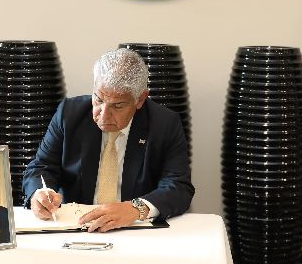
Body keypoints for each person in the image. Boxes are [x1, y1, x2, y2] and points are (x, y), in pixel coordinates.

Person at [23, 48, 194, 233]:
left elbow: (178, 187)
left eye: (118, 105)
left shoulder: (164, 124)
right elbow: (42, 167)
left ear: (141, 99)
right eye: (98, 99)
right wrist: (39, 193)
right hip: (75, 226)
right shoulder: (69, 114)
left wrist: (137, 208)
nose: (103, 115)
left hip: (134, 231)